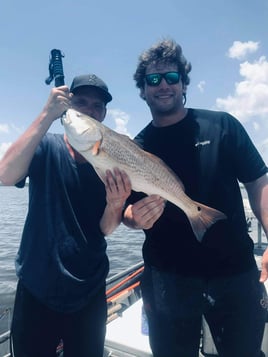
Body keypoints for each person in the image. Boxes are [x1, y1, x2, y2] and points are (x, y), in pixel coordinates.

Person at [123, 39, 268, 357]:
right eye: (153, 79)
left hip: (234, 273)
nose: (163, 85)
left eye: (172, 77)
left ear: (184, 83)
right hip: (167, 278)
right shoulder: (135, 148)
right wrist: (134, 219)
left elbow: (259, 183)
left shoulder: (222, 126)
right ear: (143, 90)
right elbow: (126, 210)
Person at [0, 74, 131, 357]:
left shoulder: (110, 163)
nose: (90, 109)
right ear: (67, 106)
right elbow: (5, 174)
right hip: (37, 288)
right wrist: (47, 114)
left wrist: (115, 205)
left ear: (104, 114)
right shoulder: (45, 145)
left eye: (98, 106)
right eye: (81, 102)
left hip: (89, 290)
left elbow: (106, 229)